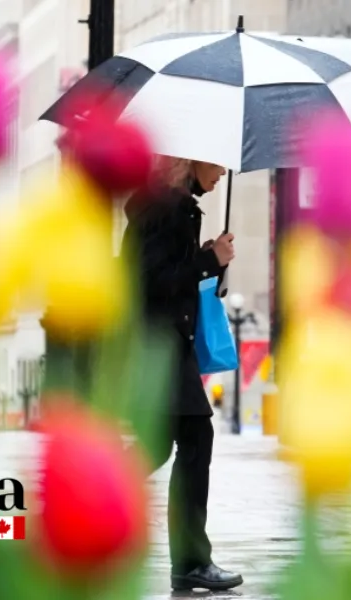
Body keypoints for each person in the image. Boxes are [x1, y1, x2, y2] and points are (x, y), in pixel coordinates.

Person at [120, 156, 243, 592]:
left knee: (154, 445)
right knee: (195, 439)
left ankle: (78, 503)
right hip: (160, 345)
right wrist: (208, 260)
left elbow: (166, 274)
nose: (223, 173)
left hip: (164, 344)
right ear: (193, 159)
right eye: (219, 164)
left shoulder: (171, 206)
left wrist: (208, 257)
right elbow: (147, 282)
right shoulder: (167, 208)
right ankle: (191, 561)